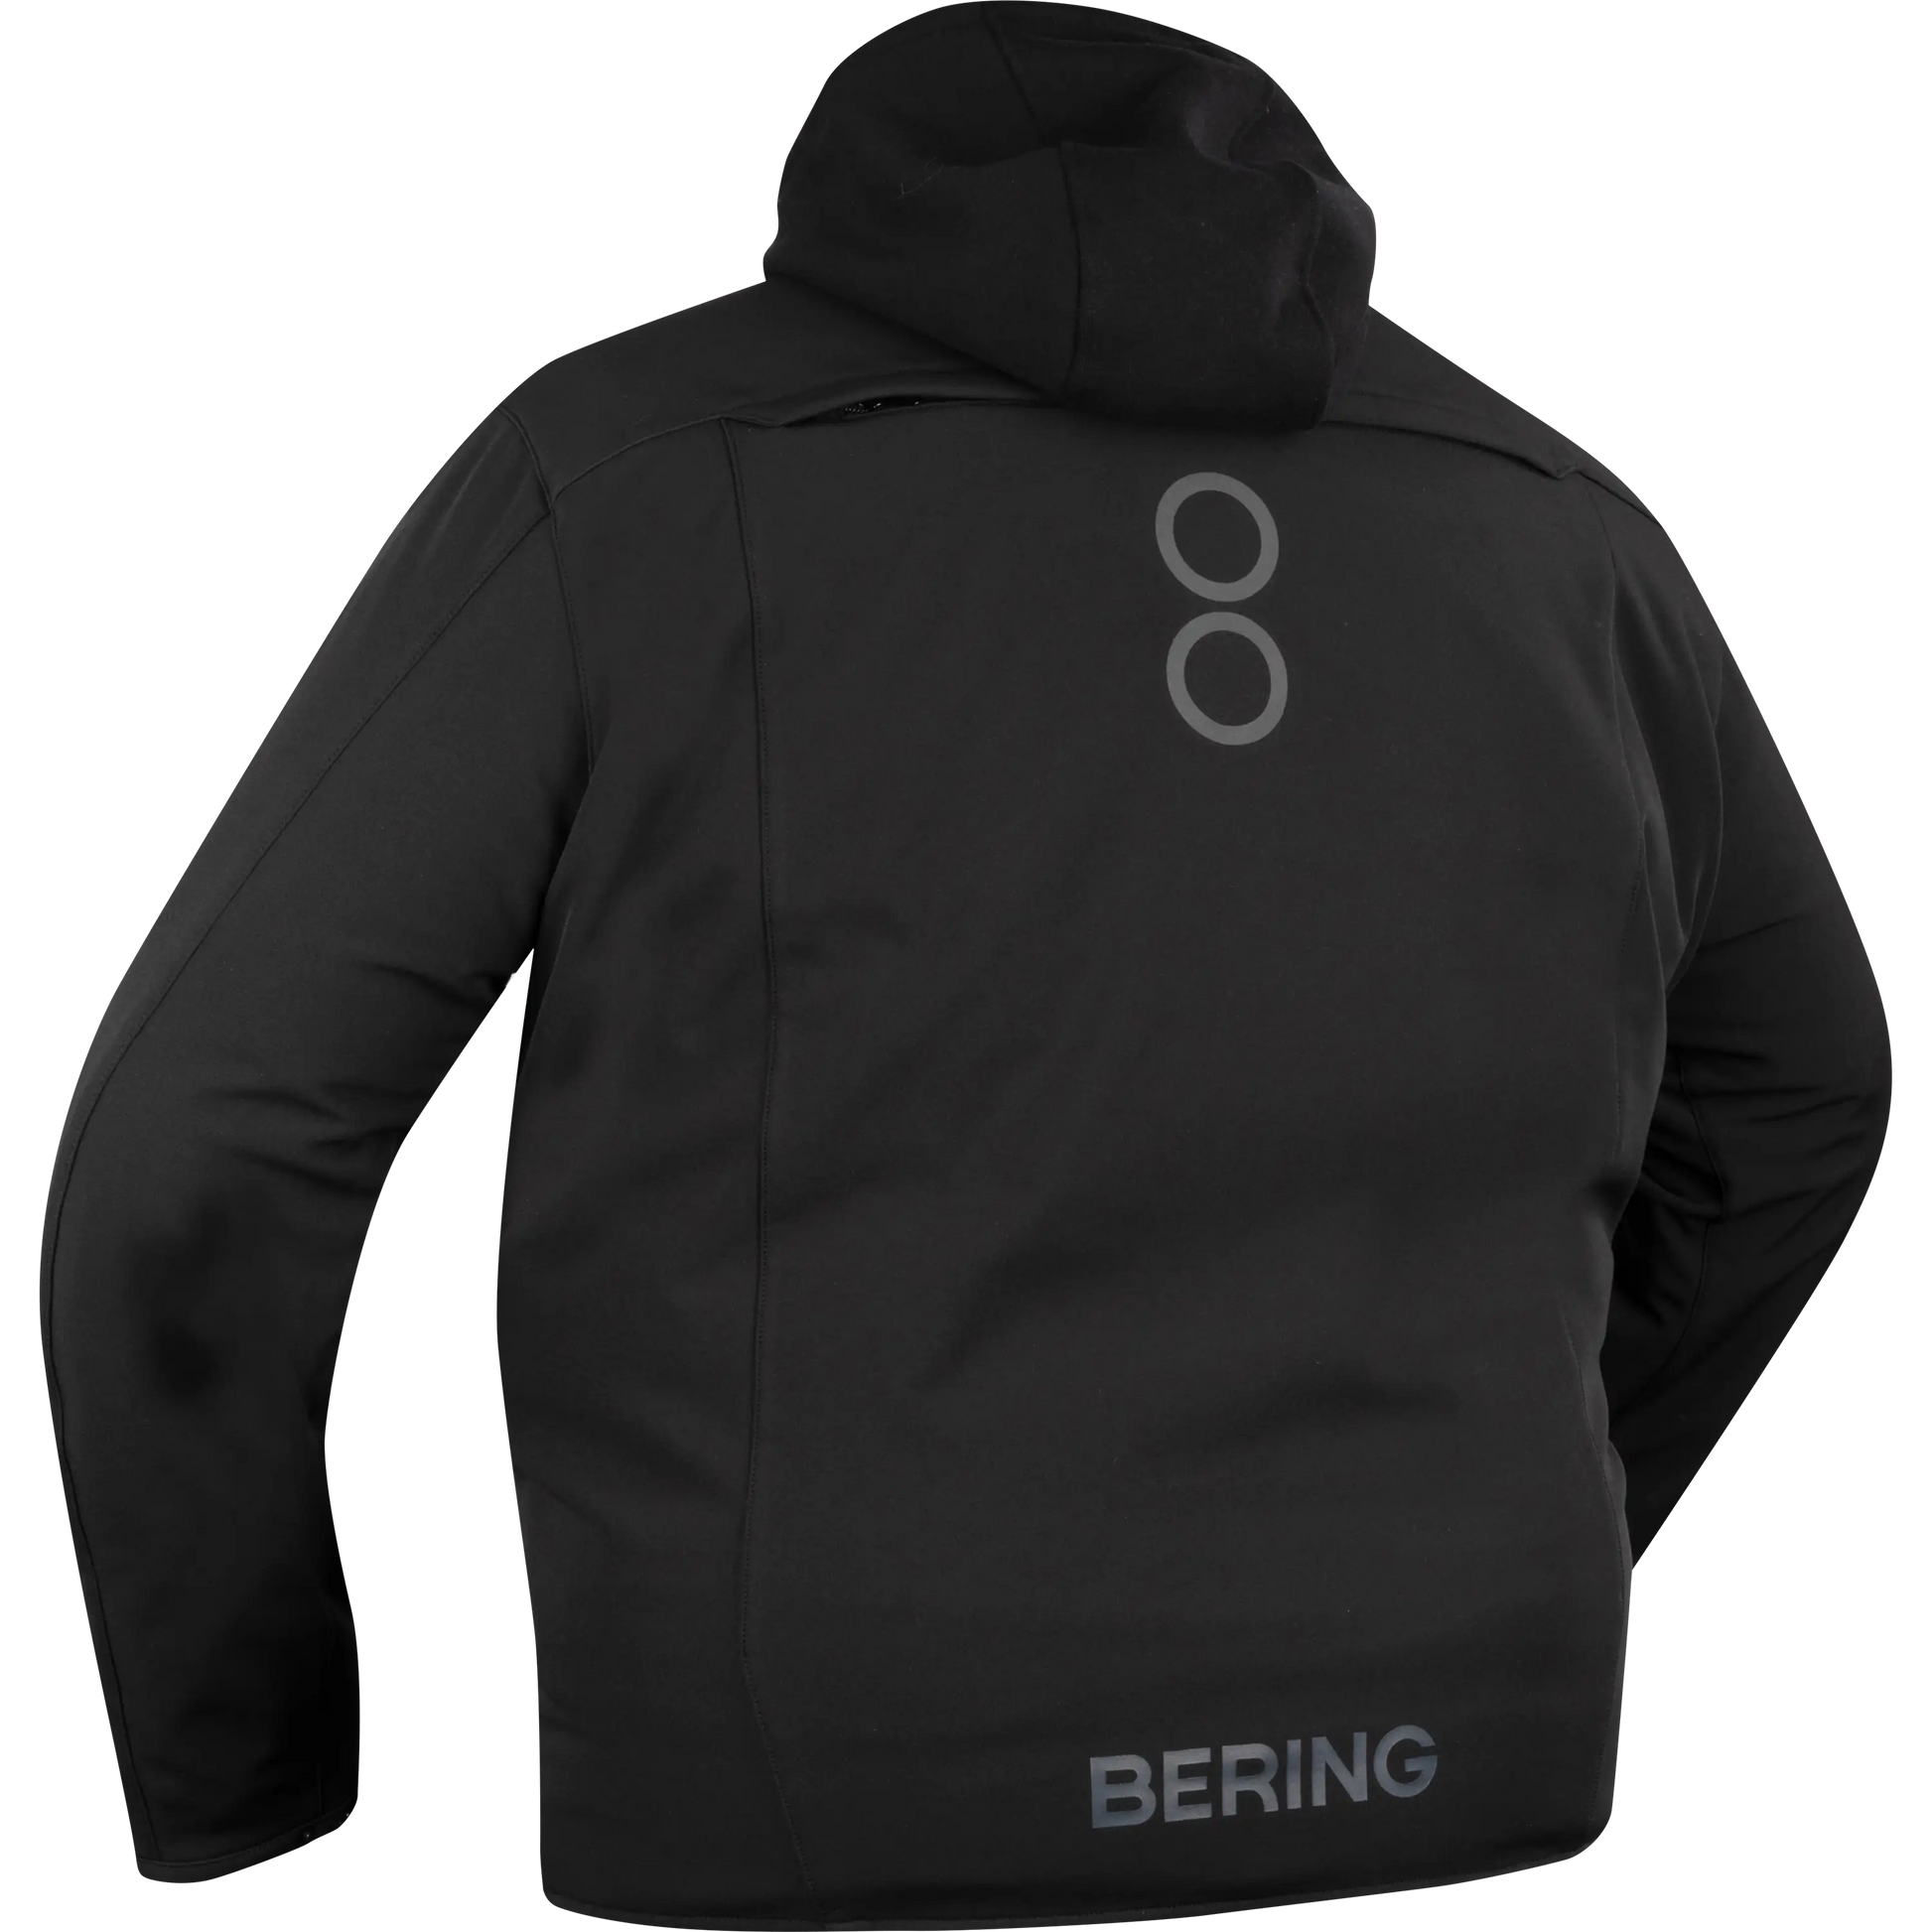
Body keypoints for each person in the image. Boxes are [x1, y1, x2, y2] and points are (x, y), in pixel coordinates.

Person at [37, 3, 1891, 1923]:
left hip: (814, 1794)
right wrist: (1513, 1541)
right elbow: (1809, 1082)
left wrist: (247, 1765)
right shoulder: (1569, 519)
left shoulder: (624, 467)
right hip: (1468, 1754)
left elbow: (195, 1138)